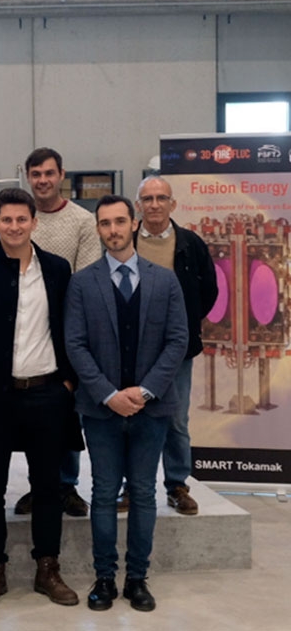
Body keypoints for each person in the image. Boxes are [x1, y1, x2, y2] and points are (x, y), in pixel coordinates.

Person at [0, 188, 81, 608]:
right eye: (5, 220)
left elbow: (71, 330)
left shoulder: (58, 270)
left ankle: (48, 567)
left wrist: (68, 383)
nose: (13, 227)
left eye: (21, 220)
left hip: (47, 393)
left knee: (48, 486)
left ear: (33, 223)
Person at [65, 195, 188, 612]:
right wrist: (108, 394)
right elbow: (75, 345)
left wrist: (145, 391)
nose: (113, 230)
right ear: (97, 229)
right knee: (102, 493)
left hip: (151, 409)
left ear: (134, 224)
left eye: (120, 221)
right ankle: (104, 578)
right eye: (105, 224)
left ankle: (137, 578)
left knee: (142, 492)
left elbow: (177, 341)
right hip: (101, 410)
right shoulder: (82, 283)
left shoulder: (165, 280)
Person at [15, 147, 102, 518]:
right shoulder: (21, 220)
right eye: (36, 174)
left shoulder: (83, 222)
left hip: (68, 334)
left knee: (66, 416)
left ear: (61, 175)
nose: (43, 181)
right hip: (26, 331)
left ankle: (66, 486)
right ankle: (39, 487)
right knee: (34, 422)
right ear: (28, 177)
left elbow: (86, 285)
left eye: (49, 173)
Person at [134, 176, 218, 515]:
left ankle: (177, 485)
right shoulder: (124, 241)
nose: (154, 204)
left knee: (177, 420)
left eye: (161, 198)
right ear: (138, 205)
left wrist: (184, 325)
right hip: (133, 349)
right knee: (132, 419)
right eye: (148, 199)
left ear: (173, 204)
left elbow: (209, 291)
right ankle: (132, 485)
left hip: (177, 350)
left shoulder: (190, 243)